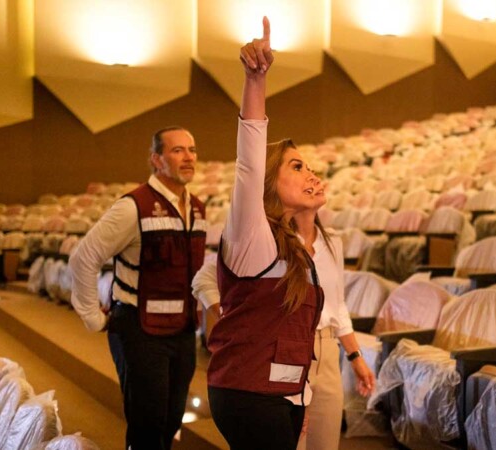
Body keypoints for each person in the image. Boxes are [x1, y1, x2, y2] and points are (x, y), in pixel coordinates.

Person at [203, 17, 374, 450]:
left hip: (284, 391)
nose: (311, 173)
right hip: (250, 394)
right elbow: (248, 162)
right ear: (269, 184)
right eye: (296, 166)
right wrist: (255, 81)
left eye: (310, 166)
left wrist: (301, 396)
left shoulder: (302, 246)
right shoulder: (253, 237)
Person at [69, 125, 206, 450]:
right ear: (156, 160)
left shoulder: (198, 207)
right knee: (148, 424)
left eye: (192, 149)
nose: (189, 157)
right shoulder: (132, 207)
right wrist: (93, 316)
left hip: (183, 332)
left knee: (172, 420)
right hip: (139, 332)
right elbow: (83, 258)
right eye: (178, 150)